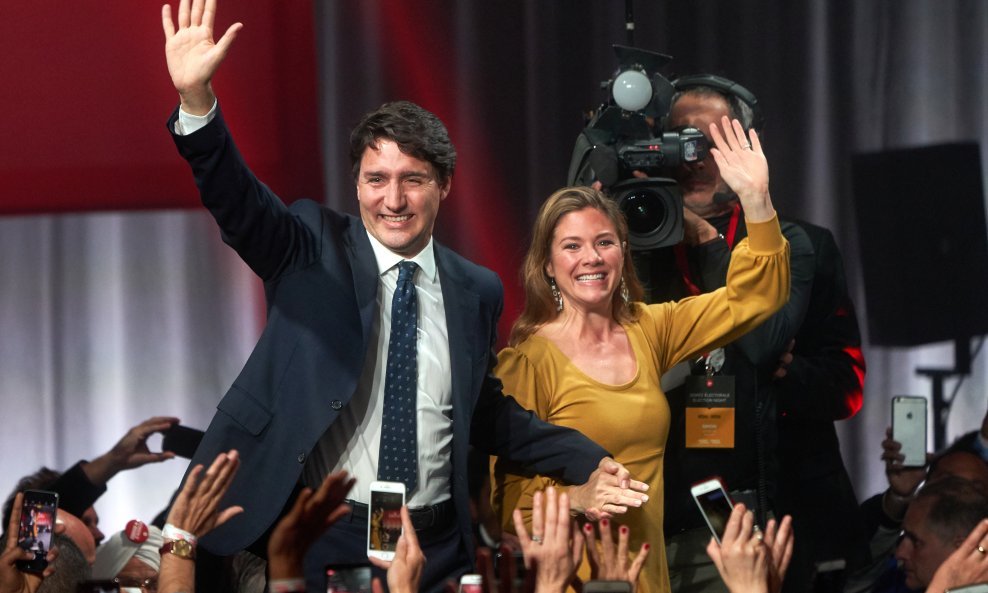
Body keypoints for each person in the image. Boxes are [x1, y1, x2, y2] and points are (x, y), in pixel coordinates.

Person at [159, 1, 646, 590]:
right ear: (356, 184)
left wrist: (585, 458)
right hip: (325, 532)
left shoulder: (475, 288)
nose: (393, 199)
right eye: (376, 179)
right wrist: (197, 104)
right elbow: (237, 203)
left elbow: (484, 413)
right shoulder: (311, 244)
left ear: (444, 185)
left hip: (435, 540)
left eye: (412, 179)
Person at [492, 113, 791, 593]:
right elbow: (506, 508)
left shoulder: (649, 329)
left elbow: (754, 298)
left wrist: (756, 201)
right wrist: (578, 495)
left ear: (622, 253)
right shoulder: (527, 362)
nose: (591, 258)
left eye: (604, 242)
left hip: (650, 579)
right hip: (576, 582)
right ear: (547, 265)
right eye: (572, 246)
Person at [644, 75, 866, 593]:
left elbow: (846, 385)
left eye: (709, 141)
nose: (692, 157)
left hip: (785, 506)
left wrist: (778, 372)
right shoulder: (639, 252)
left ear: (747, 149)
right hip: (678, 512)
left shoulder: (798, 242)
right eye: (680, 139)